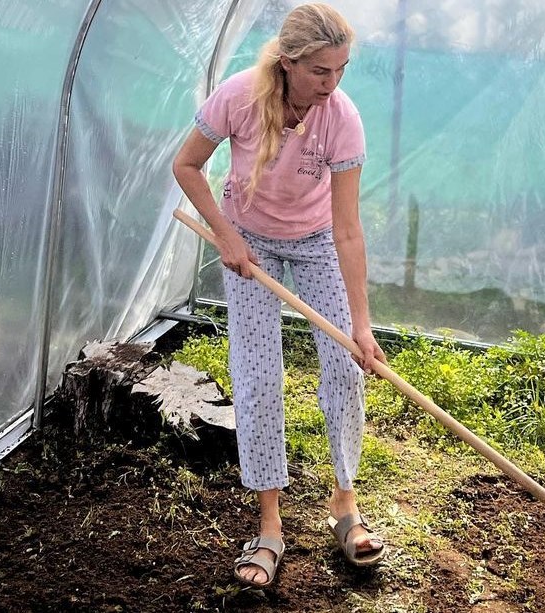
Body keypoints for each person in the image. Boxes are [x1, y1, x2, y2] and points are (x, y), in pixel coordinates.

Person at [172, 3, 387, 588]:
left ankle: (345, 502)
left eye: (341, 70)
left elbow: (347, 228)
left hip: (317, 239)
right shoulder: (240, 97)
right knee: (258, 374)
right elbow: (187, 164)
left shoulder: (341, 117)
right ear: (289, 62)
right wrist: (225, 233)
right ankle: (270, 526)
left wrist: (362, 326)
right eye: (322, 71)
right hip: (250, 244)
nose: (333, 83)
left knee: (346, 362)